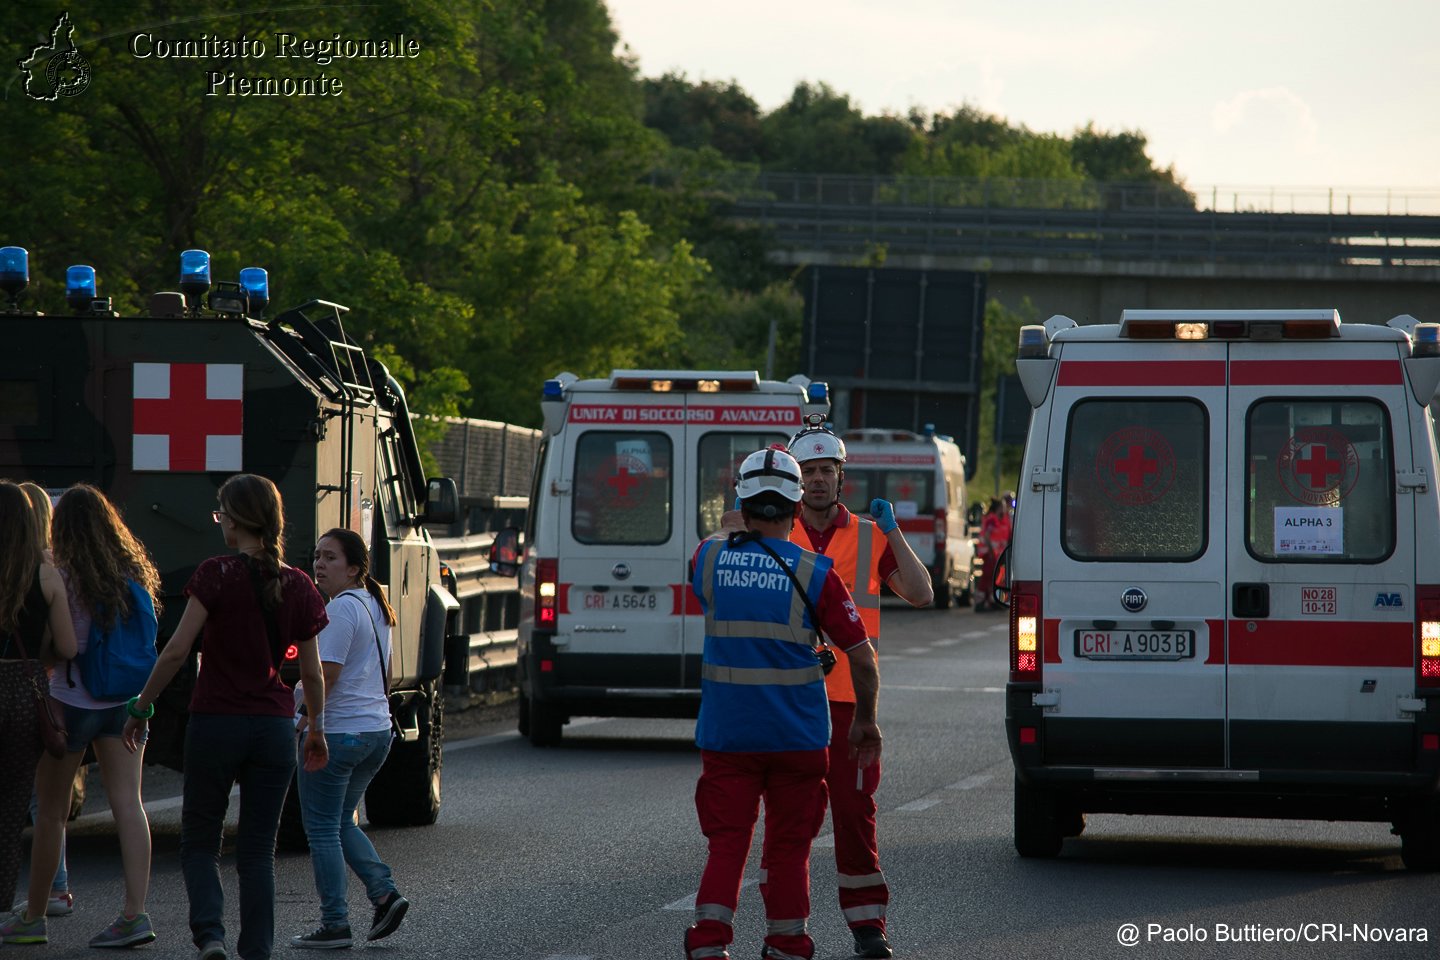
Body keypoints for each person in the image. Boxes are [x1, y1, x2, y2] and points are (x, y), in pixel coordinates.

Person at [685, 448, 882, 960]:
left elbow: (720, 537)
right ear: (797, 508)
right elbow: (861, 658)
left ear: (742, 502)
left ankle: (709, 944)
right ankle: (788, 943)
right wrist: (865, 721)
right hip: (798, 739)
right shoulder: (816, 573)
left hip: (728, 736)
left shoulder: (707, 559)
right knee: (789, 849)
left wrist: (737, 524)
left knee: (728, 844)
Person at [121, 474, 328, 960]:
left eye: (221, 515)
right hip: (275, 728)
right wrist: (315, 728)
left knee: (200, 842)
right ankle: (256, 949)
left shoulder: (215, 574)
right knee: (258, 853)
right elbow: (312, 673)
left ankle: (210, 937)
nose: (220, 524)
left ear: (234, 522)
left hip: (215, 722)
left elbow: (175, 651)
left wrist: (141, 706)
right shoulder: (298, 583)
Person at [784, 425, 932, 959]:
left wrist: (894, 534)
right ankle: (787, 929)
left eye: (826, 471)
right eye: (808, 473)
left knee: (854, 814)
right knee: (792, 820)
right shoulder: (776, 533)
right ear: (795, 481)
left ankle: (869, 926)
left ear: (841, 477)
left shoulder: (870, 536)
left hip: (849, 701)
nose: (818, 480)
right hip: (789, 700)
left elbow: (920, 592)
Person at [16, 485, 164, 948]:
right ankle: (134, 914)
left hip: (71, 701)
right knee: (129, 804)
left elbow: (65, 647)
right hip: (123, 702)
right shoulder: (131, 571)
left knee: (51, 816)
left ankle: (33, 918)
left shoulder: (58, 573)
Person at [289, 528, 409, 949]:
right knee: (340, 820)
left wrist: (306, 718)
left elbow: (327, 674)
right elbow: (388, 674)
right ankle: (384, 894)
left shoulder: (340, 609)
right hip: (376, 731)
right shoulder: (377, 605)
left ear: (355, 568)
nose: (319, 564)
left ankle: (335, 923)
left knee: (321, 828)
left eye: (331, 558)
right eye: (317, 555)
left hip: (339, 734)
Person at [0, 481, 78, 944]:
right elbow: (67, 646)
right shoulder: (46, 575)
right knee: (12, 809)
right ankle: (7, 909)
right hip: (22, 693)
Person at [975, 496, 1013, 612]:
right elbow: (987, 536)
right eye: (1002, 506)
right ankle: (981, 602)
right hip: (989, 553)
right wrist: (991, 550)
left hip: (996, 554)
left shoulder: (1000, 519)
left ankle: (991, 600)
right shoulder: (992, 519)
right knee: (987, 578)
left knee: (994, 577)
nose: (1005, 508)